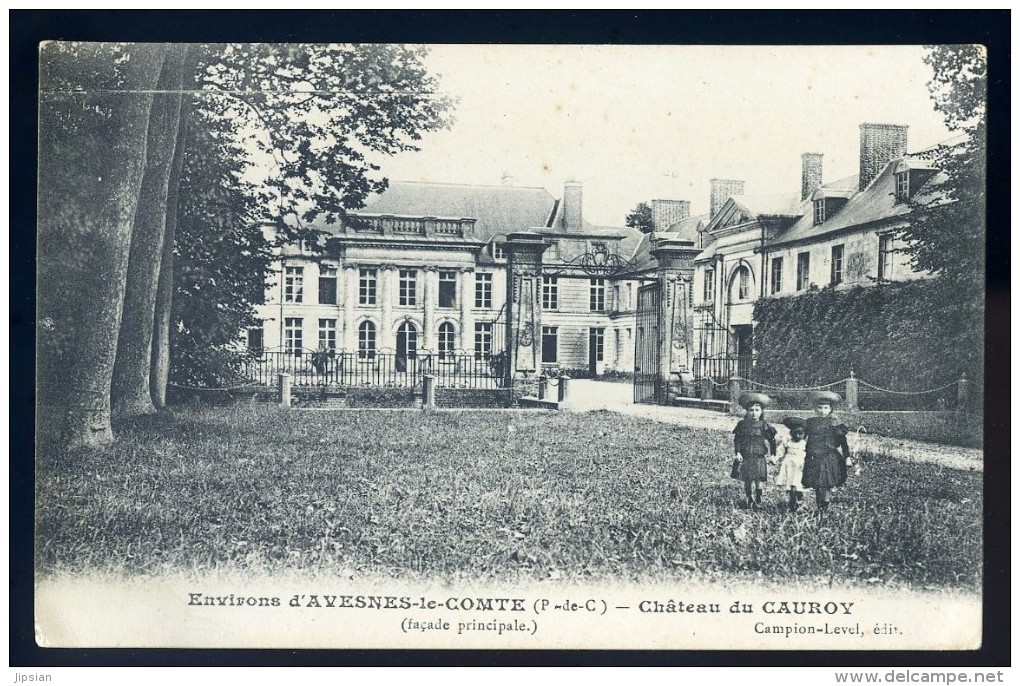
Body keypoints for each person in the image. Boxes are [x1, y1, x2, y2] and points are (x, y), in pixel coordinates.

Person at [801, 390, 852, 512]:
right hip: (814, 455)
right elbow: (802, 438)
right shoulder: (810, 423)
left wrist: (847, 457)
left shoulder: (835, 422)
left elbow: (843, 441)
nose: (822, 410)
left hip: (828, 456)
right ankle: (820, 505)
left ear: (830, 409)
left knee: (826, 480)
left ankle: (825, 505)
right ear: (815, 409)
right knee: (817, 482)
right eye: (819, 407)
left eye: (825, 408)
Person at [731, 392, 777, 509]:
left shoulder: (764, 425)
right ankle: (749, 498)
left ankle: (758, 499)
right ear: (747, 411)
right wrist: (738, 452)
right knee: (747, 478)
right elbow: (737, 439)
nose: (754, 413)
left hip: (759, 455)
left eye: (757, 410)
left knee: (758, 478)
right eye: (751, 410)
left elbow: (772, 441)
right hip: (746, 455)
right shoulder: (742, 425)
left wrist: (773, 455)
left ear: (761, 411)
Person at [774, 416, 809, 513]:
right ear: (791, 433)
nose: (797, 436)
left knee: (798, 485)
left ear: (805, 434)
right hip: (789, 465)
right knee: (790, 486)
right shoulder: (787, 441)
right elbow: (780, 451)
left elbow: (810, 454)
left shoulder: (804, 444)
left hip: (800, 466)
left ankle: (800, 503)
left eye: (800, 433)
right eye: (795, 433)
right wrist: (776, 458)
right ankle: (792, 502)